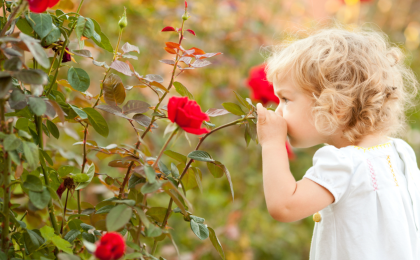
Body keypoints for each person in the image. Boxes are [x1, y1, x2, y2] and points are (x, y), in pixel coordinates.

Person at [255, 23, 420, 260]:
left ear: (336, 106)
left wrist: (271, 144)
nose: (278, 111)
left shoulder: (345, 164)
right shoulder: (401, 153)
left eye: (285, 99)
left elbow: (284, 206)